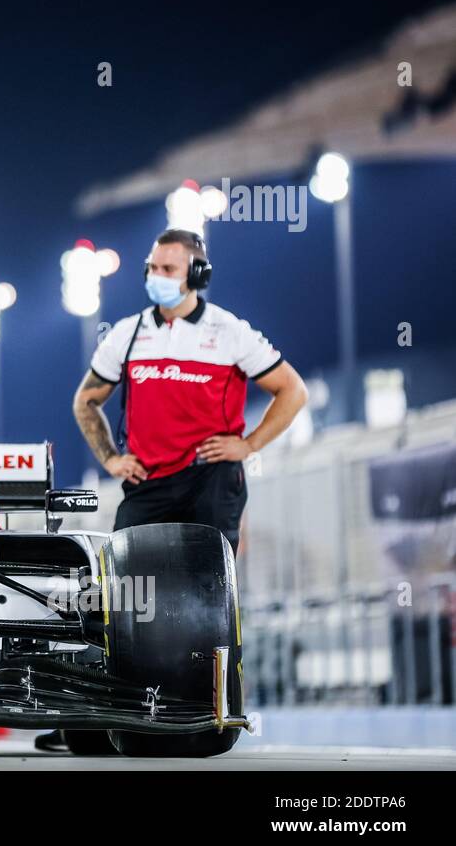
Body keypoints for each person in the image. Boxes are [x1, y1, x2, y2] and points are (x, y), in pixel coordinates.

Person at [37, 229, 308, 755]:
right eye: (151, 267)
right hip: (148, 482)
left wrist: (248, 444)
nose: (154, 277)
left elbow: (291, 391)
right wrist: (113, 458)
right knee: (120, 599)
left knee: (212, 602)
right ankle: (98, 714)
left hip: (212, 480)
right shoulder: (129, 333)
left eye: (167, 269)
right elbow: (85, 402)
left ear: (196, 275)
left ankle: (214, 711)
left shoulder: (229, 331)